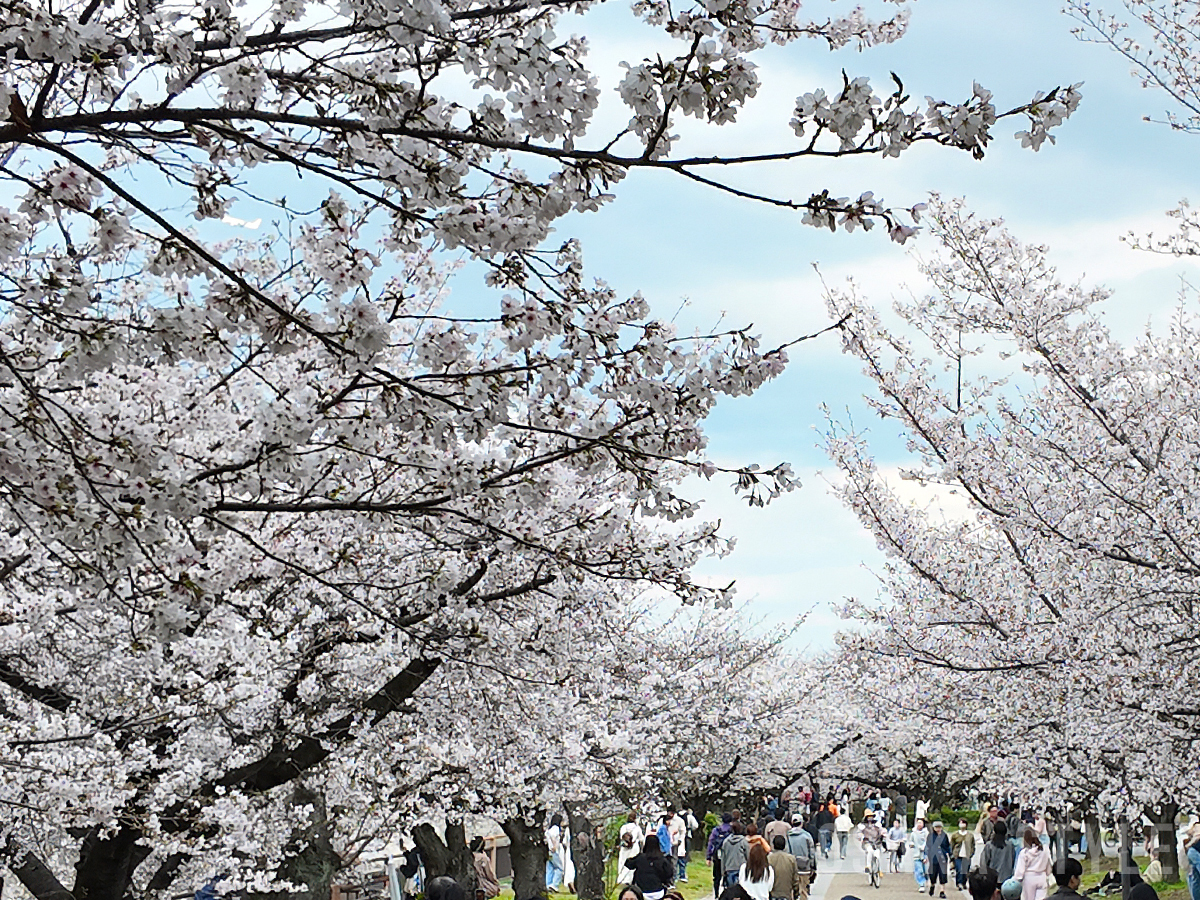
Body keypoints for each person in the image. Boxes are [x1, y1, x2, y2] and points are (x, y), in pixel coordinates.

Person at [625, 832, 676, 900]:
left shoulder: (640, 858)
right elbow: (669, 873)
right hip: (658, 892)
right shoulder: (662, 859)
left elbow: (628, 864)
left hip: (642, 891)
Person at [1014, 828, 1053, 900]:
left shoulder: (1024, 852)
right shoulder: (1044, 849)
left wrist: (1016, 879)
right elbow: (1049, 867)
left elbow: (1020, 871)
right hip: (1042, 876)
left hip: (1029, 878)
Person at [786, 815, 817, 900]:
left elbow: (786, 850)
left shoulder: (788, 836)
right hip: (805, 866)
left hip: (791, 865)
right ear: (802, 823)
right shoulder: (807, 835)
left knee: (791, 890)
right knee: (803, 890)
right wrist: (812, 866)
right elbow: (812, 853)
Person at [709, 813, 734, 897]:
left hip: (717, 855)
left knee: (717, 876)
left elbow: (711, 842)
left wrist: (709, 856)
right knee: (728, 874)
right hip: (729, 856)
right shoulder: (732, 830)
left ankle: (716, 894)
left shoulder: (716, 830)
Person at [768, 835, 801, 900]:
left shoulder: (768, 859)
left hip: (772, 894)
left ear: (773, 845)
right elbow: (795, 879)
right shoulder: (791, 859)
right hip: (786, 894)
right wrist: (796, 893)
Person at [925, 821, 953, 899]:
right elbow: (928, 846)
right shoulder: (930, 836)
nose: (938, 829)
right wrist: (927, 856)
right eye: (936, 827)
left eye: (939, 827)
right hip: (933, 858)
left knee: (943, 875)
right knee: (933, 874)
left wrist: (951, 855)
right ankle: (932, 885)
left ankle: (942, 891)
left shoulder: (944, 835)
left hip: (943, 857)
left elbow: (947, 846)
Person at [721, 823, 751, 888]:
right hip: (741, 868)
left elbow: (723, 857)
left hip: (729, 868)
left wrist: (723, 871)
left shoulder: (726, 841)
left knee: (731, 890)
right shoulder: (743, 841)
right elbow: (748, 855)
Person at [619, 812, 646, 887]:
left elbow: (621, 837)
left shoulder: (623, 827)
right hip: (634, 848)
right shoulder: (637, 828)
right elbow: (642, 839)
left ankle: (621, 879)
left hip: (624, 847)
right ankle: (630, 879)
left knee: (623, 862)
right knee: (633, 863)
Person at [952, 819, 978, 889]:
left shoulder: (970, 835)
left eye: (963, 823)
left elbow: (973, 845)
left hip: (967, 855)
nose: (962, 824)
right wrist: (952, 854)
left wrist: (971, 853)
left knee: (966, 870)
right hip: (958, 855)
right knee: (959, 869)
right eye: (960, 823)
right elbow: (952, 844)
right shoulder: (955, 835)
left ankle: (964, 882)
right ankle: (959, 883)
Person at [861, 811, 885, 881]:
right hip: (867, 842)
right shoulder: (863, 825)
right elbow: (859, 833)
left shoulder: (877, 824)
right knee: (870, 851)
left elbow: (882, 830)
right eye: (868, 817)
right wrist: (861, 837)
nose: (870, 818)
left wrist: (883, 834)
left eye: (871, 816)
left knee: (878, 855)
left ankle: (879, 869)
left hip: (876, 843)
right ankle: (868, 866)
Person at [546, 814, 565, 891]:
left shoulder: (549, 829)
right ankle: (555, 884)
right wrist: (555, 845)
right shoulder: (555, 828)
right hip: (554, 851)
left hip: (548, 850)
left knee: (550, 868)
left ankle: (548, 884)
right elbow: (553, 836)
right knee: (560, 868)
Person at [669, 808, 688, 882]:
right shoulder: (664, 819)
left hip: (677, 842)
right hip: (668, 842)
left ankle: (681, 875)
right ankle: (673, 876)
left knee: (679, 859)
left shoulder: (679, 820)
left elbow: (683, 831)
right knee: (671, 860)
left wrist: (680, 840)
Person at [911, 818, 930, 892]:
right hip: (916, 854)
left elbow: (928, 842)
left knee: (925, 869)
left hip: (924, 854)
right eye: (918, 823)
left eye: (920, 823)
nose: (919, 824)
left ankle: (927, 879)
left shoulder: (926, 833)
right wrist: (911, 844)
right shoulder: (913, 833)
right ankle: (921, 884)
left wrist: (924, 848)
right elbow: (911, 841)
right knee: (919, 870)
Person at [1185, 823, 1200, 900]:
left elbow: (1189, 832)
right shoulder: (1198, 825)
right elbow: (1197, 836)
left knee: (1195, 878)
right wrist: (1189, 844)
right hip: (1196, 852)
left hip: (1193, 852)